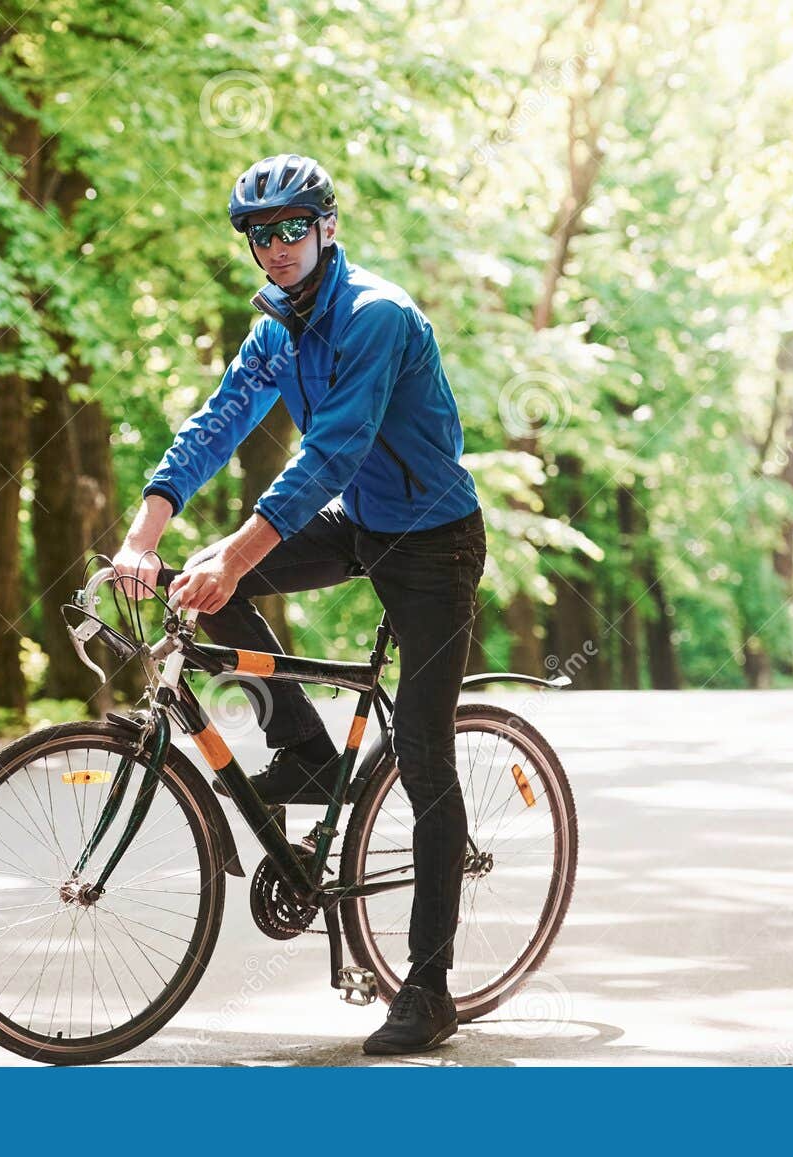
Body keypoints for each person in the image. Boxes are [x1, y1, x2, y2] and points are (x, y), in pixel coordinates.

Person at [114, 153, 486, 1055]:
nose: (276, 248)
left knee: (425, 756)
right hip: (360, 520)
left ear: (326, 228)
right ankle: (308, 753)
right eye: (259, 234)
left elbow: (333, 449)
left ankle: (428, 986)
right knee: (201, 584)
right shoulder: (278, 326)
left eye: (291, 229)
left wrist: (241, 554)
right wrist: (146, 532)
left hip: (434, 544)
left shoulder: (376, 316)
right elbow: (217, 421)